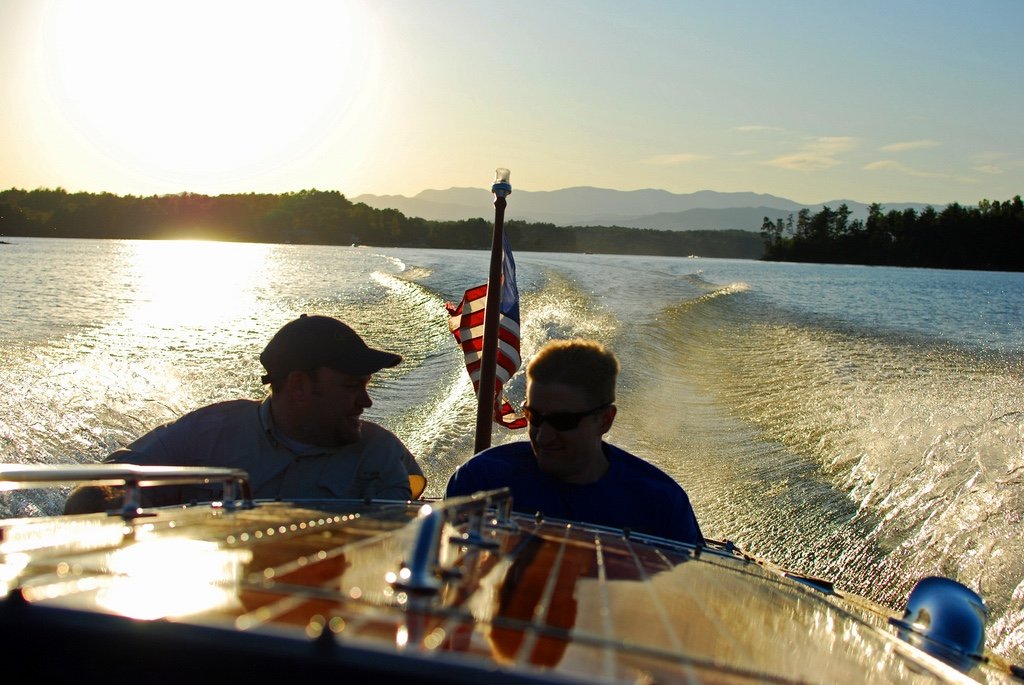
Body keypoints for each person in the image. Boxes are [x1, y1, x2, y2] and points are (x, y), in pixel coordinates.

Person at [65, 314, 424, 513]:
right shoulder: (205, 434)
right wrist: (111, 505)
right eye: (351, 387)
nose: (366, 402)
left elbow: (394, 539)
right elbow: (108, 483)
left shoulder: (381, 454)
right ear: (299, 386)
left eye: (366, 386)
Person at [446, 339, 703, 545]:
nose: (543, 436)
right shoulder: (479, 482)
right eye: (533, 417)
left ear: (605, 421)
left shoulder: (660, 504)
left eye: (563, 422)